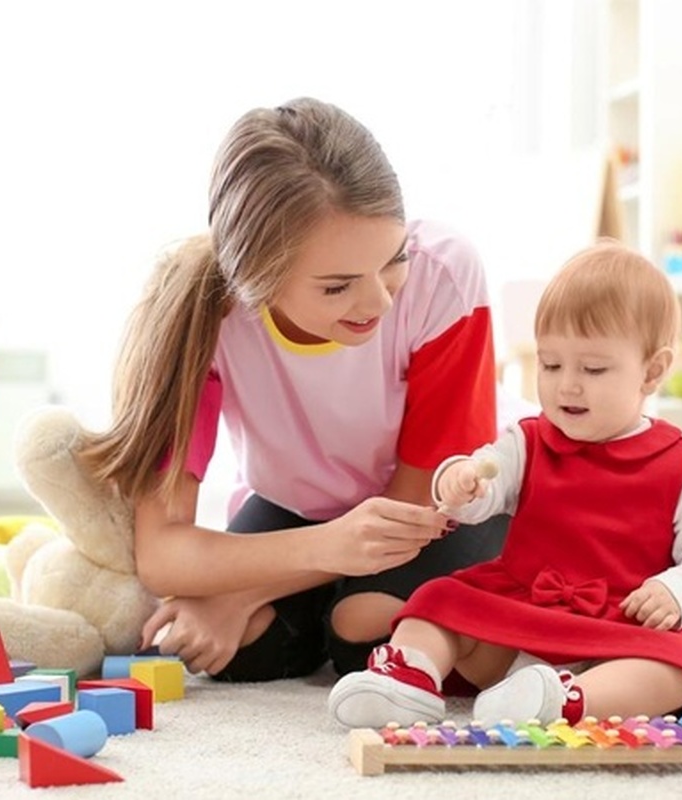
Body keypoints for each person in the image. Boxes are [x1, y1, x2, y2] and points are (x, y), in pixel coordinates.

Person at [77, 97, 509, 683]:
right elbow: (162, 555)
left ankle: (337, 607)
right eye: (337, 287)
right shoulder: (203, 320)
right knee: (231, 654)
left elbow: (418, 507)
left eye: (392, 258)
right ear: (255, 281)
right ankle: (327, 600)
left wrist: (240, 592)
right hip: (301, 512)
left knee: (369, 640)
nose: (379, 300)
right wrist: (322, 553)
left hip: (435, 506)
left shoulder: (446, 276)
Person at [328, 241, 682, 727]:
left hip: (619, 626)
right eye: (550, 365)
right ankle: (407, 679)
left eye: (592, 369)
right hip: (521, 615)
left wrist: (676, 591)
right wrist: (459, 482)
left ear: (651, 371)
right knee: (436, 601)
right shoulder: (528, 440)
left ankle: (567, 701)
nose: (567, 385)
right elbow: (483, 478)